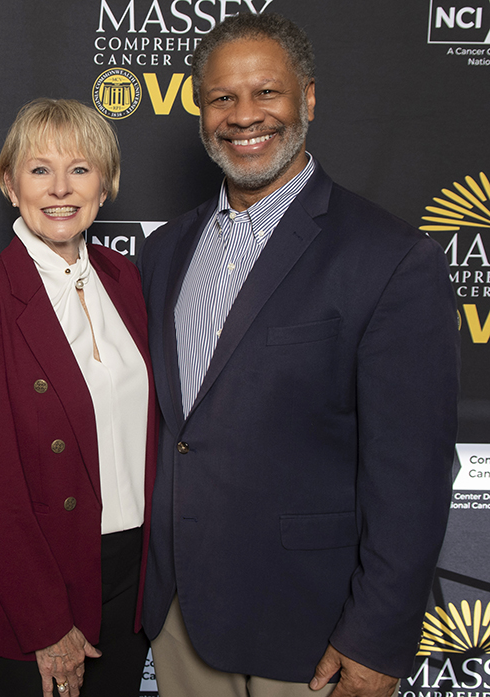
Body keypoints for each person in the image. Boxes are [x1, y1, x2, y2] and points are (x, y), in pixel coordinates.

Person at [138, 12, 459, 697]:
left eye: (266, 93)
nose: (243, 115)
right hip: (180, 618)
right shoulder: (163, 251)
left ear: (306, 100)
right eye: (221, 97)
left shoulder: (390, 258)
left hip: (312, 629)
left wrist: (375, 636)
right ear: (200, 113)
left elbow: (413, 472)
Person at [0, 98, 158, 697]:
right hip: (38, 583)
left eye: (81, 169)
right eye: (39, 170)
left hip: (130, 576)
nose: (60, 188)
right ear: (9, 184)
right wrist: (45, 622)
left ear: (106, 183)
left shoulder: (125, 279)